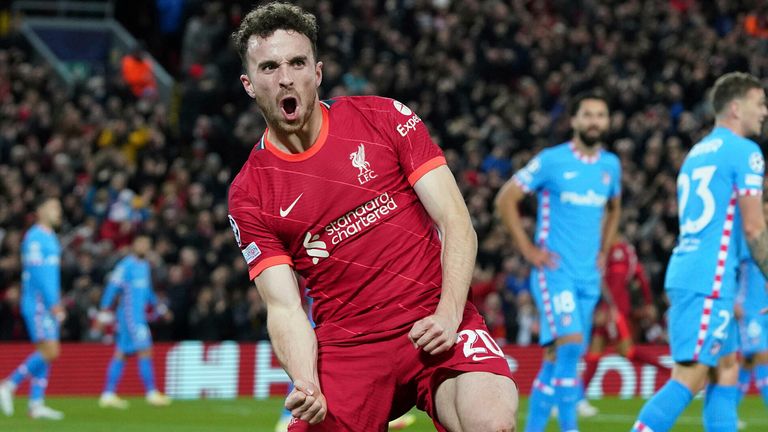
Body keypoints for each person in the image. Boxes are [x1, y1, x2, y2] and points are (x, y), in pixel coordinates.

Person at [227, 3, 518, 431]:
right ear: (249, 84)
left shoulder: (383, 119)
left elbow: (457, 223)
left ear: (317, 72)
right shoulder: (250, 193)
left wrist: (448, 313)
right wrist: (306, 381)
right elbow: (285, 308)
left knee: (491, 423)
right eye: (269, 67)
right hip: (349, 349)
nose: (285, 77)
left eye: (297, 63)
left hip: (433, 320)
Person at [631, 72, 768, 432]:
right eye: (760, 102)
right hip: (709, 278)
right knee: (690, 377)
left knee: (726, 371)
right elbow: (754, 226)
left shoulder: (697, 153)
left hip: (694, 271)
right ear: (736, 108)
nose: (765, 111)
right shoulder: (746, 152)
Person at [495, 92, 622, 432]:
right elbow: (506, 198)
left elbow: (614, 208)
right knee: (568, 350)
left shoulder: (611, 166)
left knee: (558, 360)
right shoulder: (552, 161)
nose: (595, 121)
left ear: (607, 122)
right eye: (588, 115)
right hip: (555, 273)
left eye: (601, 115)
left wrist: (605, 249)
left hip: (588, 277)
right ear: (575, 121)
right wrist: (528, 250)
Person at [579, 235, 667, 415]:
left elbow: (637, 277)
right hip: (609, 309)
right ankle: (575, 399)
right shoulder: (613, 251)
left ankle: (574, 399)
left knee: (620, 352)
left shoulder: (620, 251)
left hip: (615, 310)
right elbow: (638, 276)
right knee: (599, 354)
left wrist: (647, 302)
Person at [0, 197, 66, 420]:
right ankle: (9, 384)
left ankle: (36, 404)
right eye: (53, 207)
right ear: (40, 211)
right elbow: (39, 276)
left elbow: (52, 276)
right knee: (50, 351)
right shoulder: (35, 237)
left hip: (48, 302)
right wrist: (53, 304)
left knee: (46, 354)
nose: (58, 211)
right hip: (39, 304)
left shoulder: (50, 237)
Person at [97, 234, 171, 409]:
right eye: (141, 243)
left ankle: (108, 394)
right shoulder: (126, 265)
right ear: (134, 246)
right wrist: (104, 309)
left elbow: (147, 292)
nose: (144, 247)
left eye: (147, 244)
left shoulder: (144, 266)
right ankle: (151, 392)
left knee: (121, 353)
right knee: (145, 350)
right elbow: (112, 287)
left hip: (137, 316)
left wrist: (160, 308)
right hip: (130, 317)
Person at [734, 237, 768, 428]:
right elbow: (730, 270)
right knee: (763, 357)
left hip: (765, 308)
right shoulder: (749, 239)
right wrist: (732, 300)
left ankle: (729, 412)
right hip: (749, 310)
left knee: (747, 363)